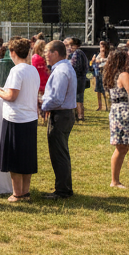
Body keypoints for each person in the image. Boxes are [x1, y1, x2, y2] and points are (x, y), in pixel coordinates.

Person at [0, 38, 39, 201]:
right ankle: (25, 192)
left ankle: (17, 193)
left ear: (13, 53)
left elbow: (11, 96)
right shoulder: (32, 70)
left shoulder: (16, 71)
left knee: (14, 158)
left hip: (16, 118)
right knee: (27, 157)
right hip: (30, 117)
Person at [39, 41, 78, 199]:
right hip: (64, 113)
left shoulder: (61, 71)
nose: (45, 55)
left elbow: (56, 98)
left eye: (47, 52)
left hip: (61, 114)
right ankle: (64, 187)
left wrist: (43, 105)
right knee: (61, 152)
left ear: (56, 53)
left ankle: (62, 190)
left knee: (59, 154)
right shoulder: (64, 68)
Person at [104, 49, 129, 188]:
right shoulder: (124, 75)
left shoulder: (111, 74)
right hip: (125, 111)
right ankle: (115, 181)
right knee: (123, 147)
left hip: (118, 110)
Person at [67, 38, 88, 121]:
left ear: (76, 46)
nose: (70, 47)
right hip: (81, 79)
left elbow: (74, 66)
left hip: (77, 79)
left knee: (78, 99)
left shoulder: (77, 53)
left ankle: (79, 116)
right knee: (79, 98)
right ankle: (80, 116)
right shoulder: (81, 53)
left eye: (71, 45)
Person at [92, 42, 111, 111]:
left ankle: (108, 106)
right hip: (98, 74)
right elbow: (93, 63)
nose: (101, 49)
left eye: (102, 47)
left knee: (107, 90)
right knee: (98, 90)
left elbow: (108, 62)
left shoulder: (109, 54)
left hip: (106, 74)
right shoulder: (98, 54)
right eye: (100, 47)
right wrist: (94, 60)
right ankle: (100, 106)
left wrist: (100, 61)